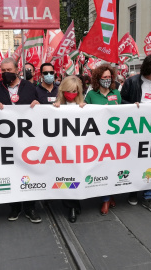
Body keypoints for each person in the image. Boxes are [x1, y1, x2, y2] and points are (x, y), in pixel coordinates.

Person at [0, 58, 41, 223]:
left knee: (29, 171)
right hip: (6, 141)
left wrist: (38, 104)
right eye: (3, 70)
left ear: (17, 70)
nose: (6, 73)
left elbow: (42, 109)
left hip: (27, 140)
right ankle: (15, 207)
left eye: (9, 69)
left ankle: (30, 207)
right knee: (11, 172)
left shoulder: (30, 87)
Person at [120, 53, 151, 214]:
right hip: (135, 129)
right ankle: (133, 190)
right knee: (134, 160)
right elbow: (121, 101)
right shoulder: (132, 81)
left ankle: (148, 195)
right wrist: (133, 105)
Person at [81, 63, 121, 215]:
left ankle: (107, 197)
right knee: (102, 167)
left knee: (112, 167)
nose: (107, 79)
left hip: (114, 137)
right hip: (97, 138)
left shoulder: (116, 93)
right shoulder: (91, 95)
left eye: (109, 77)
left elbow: (121, 113)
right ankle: (106, 198)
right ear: (98, 79)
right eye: (104, 77)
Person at [52, 76, 85, 222]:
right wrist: (53, 109)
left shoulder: (84, 106)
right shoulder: (57, 106)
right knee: (67, 176)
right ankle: (71, 206)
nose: (71, 93)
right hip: (62, 149)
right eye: (68, 91)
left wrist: (86, 108)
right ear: (63, 91)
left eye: (74, 91)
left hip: (79, 148)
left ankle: (75, 203)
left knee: (77, 175)